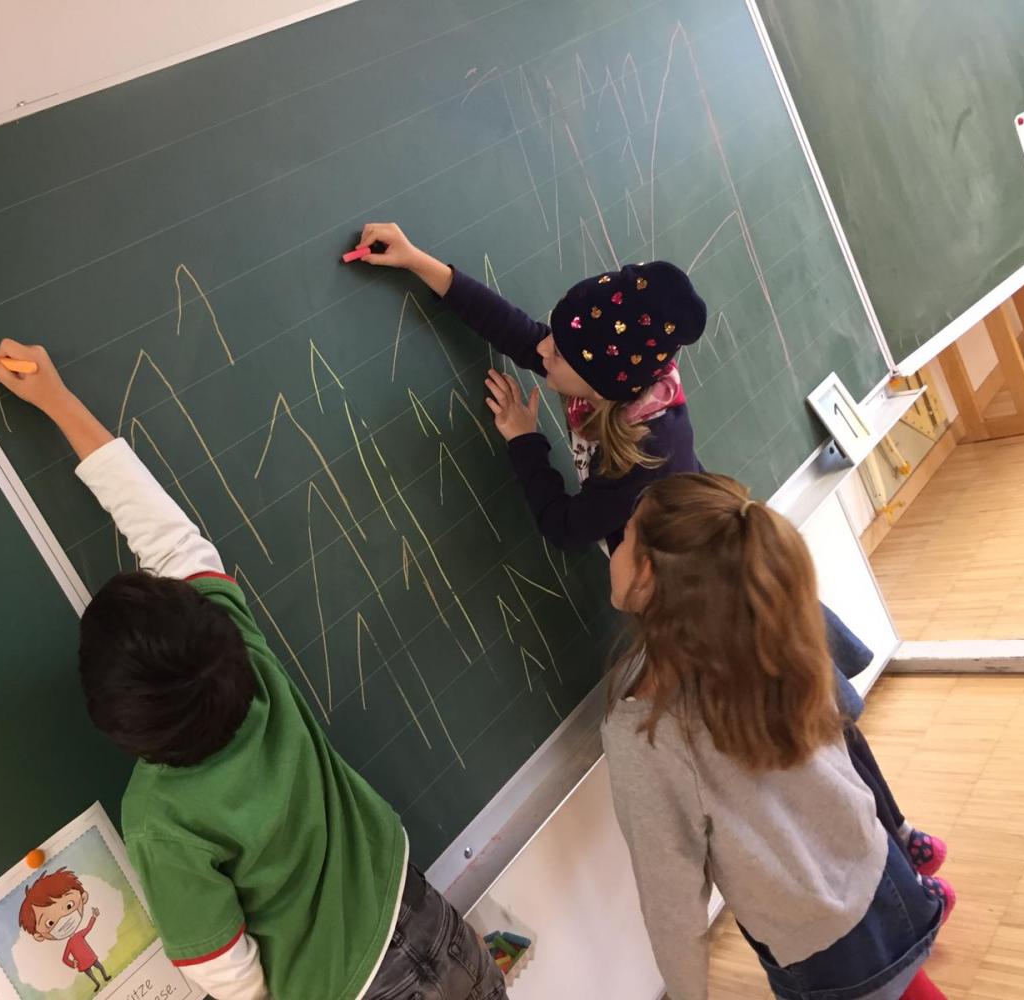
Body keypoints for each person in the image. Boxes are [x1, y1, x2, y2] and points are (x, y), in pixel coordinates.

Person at [354, 222, 948, 879]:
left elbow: (563, 523)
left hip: (717, 621)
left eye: (558, 351)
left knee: (812, 735)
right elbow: (524, 334)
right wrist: (417, 261)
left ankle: (892, 851)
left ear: (600, 380)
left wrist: (524, 439)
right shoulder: (625, 377)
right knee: (819, 728)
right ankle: (899, 840)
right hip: (725, 580)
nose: (542, 349)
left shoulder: (638, 461)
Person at [0, 343, 505, 1000]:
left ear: (116, 721)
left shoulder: (159, 814)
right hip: (422, 915)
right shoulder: (242, 652)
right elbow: (168, 536)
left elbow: (225, 969)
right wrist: (59, 402)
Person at [603, 473, 949, 1000]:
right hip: (882, 874)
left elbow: (670, 898)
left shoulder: (646, 735)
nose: (615, 546)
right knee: (909, 986)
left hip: (822, 947)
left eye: (626, 535)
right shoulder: (773, 634)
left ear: (647, 573)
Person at [19, 869, 110, 992]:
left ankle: (105, 976)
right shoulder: (70, 943)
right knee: (91, 975)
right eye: (50, 923)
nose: (63, 919)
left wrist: (94, 916)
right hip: (83, 963)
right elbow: (65, 958)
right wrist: (73, 964)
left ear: (83, 897)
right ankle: (97, 984)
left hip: (90, 957)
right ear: (39, 936)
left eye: (69, 906)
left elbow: (88, 928)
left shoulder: (78, 936)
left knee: (100, 967)